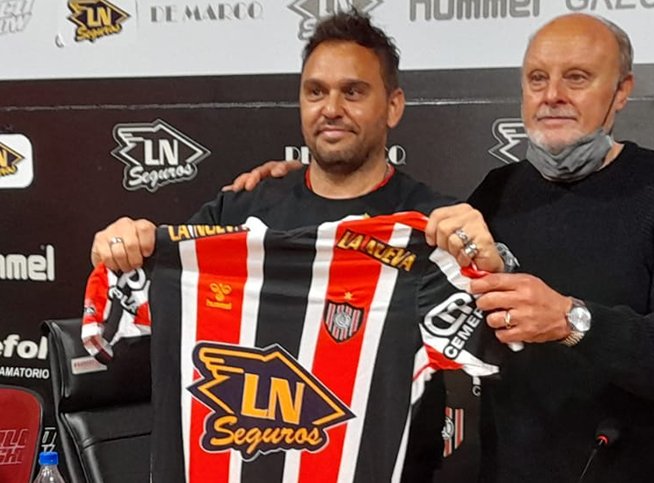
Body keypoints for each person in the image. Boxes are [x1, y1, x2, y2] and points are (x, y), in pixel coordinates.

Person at [226, 13, 654, 483]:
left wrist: (572, 320)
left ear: (621, 91)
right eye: (537, 79)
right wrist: (297, 188)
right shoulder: (495, 193)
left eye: (577, 78)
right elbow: (389, 269)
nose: (553, 95)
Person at [88, 10, 507, 483]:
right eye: (316, 92)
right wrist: (122, 250)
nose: (331, 108)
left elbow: (505, 340)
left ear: (393, 106)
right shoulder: (237, 212)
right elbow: (141, 305)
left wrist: (489, 265)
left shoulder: (431, 229)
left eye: (353, 92)